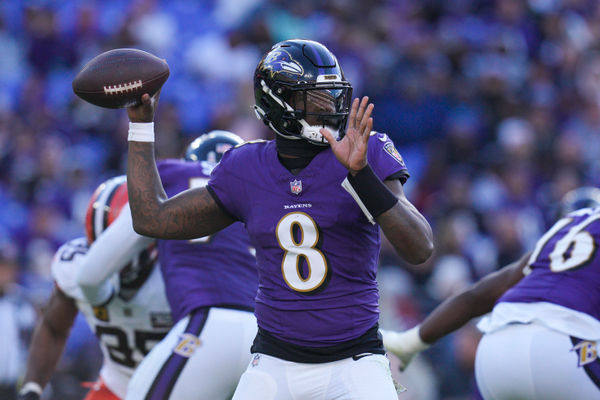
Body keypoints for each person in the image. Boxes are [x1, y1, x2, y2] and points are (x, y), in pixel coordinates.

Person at [124, 39, 434, 399]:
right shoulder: (245, 169)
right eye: (314, 98)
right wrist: (141, 127)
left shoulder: (367, 149)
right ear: (279, 104)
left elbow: (420, 248)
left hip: (356, 361)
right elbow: (152, 219)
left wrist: (361, 175)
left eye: (332, 94)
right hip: (274, 363)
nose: (331, 107)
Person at [382, 186, 600, 399]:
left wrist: (409, 342)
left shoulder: (572, 225)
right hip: (566, 351)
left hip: (495, 352)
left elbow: (480, 294)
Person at [124, 131, 259, 400]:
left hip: (209, 322)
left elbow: (94, 269)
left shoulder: (175, 174)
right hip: (269, 338)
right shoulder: (263, 192)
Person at [18, 176, 172, 400]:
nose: (110, 263)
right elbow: (53, 327)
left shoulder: (176, 270)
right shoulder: (75, 265)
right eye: (102, 251)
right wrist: (32, 388)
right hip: (118, 385)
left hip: (178, 386)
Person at [0, 242, 36, 400]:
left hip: (12, 383)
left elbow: (32, 340)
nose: (6, 273)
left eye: (9, 268)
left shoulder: (21, 301)